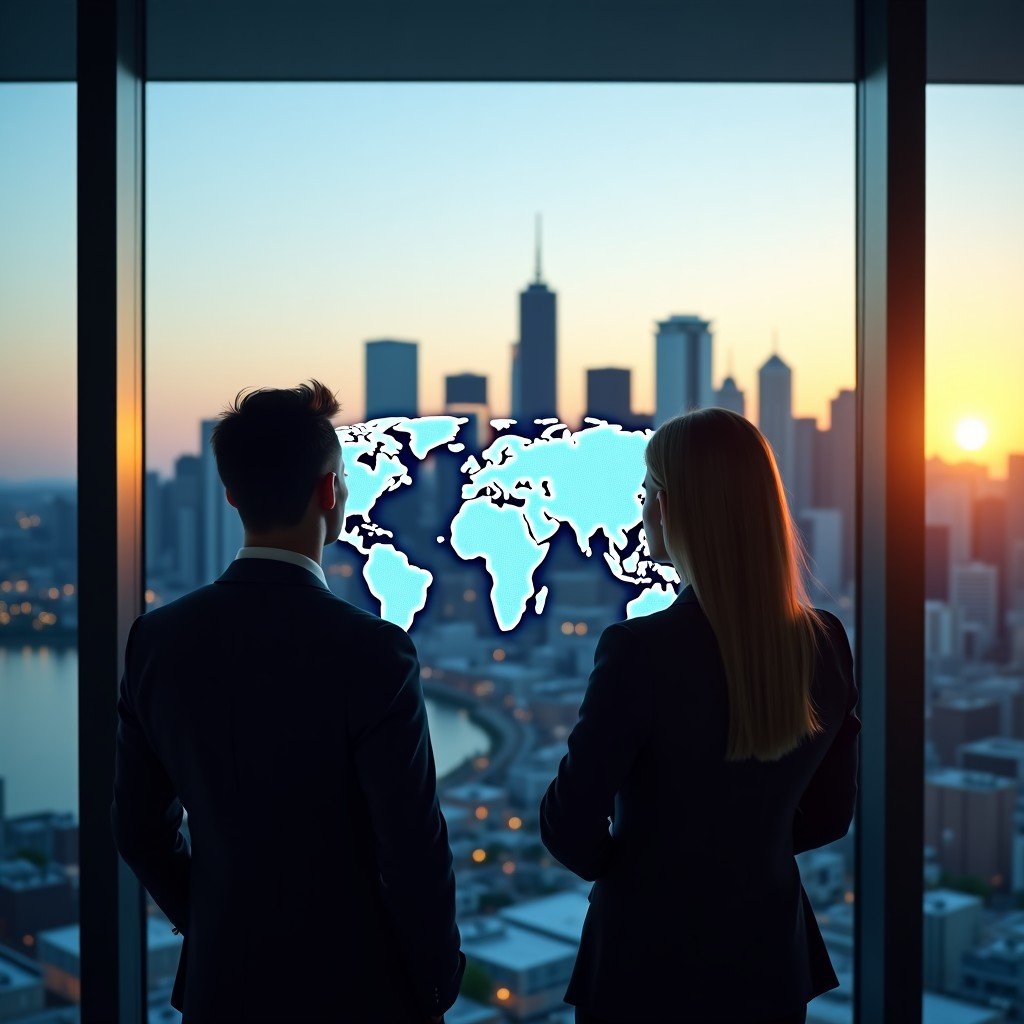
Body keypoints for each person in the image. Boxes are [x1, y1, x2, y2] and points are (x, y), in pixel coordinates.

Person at [111, 381, 465, 1023]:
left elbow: (138, 829)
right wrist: (436, 984)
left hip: (220, 990)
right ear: (330, 492)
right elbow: (412, 846)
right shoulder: (373, 650)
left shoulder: (156, 640)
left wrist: (215, 922)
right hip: (353, 992)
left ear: (231, 495)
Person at [539, 408, 860, 1024]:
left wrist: (640, 873)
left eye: (646, 493)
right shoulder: (826, 644)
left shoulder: (641, 651)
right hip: (768, 962)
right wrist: (744, 853)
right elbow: (830, 816)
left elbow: (567, 825)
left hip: (647, 969)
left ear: (669, 507)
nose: (641, 510)